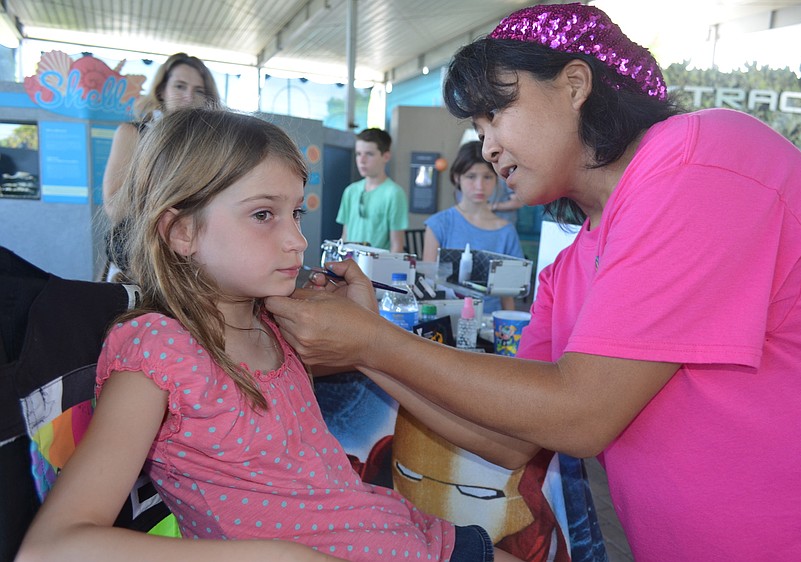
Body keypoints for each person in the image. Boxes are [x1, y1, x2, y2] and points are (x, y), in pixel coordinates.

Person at [269, 3, 801, 561]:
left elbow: (581, 413)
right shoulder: (568, 271)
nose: (488, 147)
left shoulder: (702, 158)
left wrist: (373, 342)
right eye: (477, 127)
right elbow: (513, 440)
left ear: (574, 84)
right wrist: (362, 343)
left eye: (496, 113)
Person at [15, 109, 528, 562]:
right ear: (181, 231)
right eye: (264, 215)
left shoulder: (278, 325)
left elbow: (386, 370)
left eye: (296, 213)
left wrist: (364, 328)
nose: (297, 240)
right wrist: (282, 555)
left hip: (412, 536)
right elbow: (53, 546)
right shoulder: (158, 350)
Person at [101, 52, 221, 280]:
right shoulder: (133, 134)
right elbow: (115, 209)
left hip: (193, 264)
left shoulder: (212, 146)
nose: (188, 97)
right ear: (161, 90)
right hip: (138, 262)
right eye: (180, 86)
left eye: (198, 91)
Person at [424, 140, 524, 312]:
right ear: (457, 177)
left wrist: (509, 322)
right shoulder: (438, 224)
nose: (479, 186)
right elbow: (428, 283)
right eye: (471, 176)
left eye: (487, 177)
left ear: (496, 179)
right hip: (446, 316)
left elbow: (507, 294)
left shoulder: (506, 231)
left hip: (490, 320)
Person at [336, 128, 408, 252]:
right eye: (358, 154)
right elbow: (345, 236)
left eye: (369, 154)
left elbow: (397, 246)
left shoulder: (394, 194)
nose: (362, 160)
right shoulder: (350, 191)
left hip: (378, 263)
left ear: (386, 156)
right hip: (350, 261)